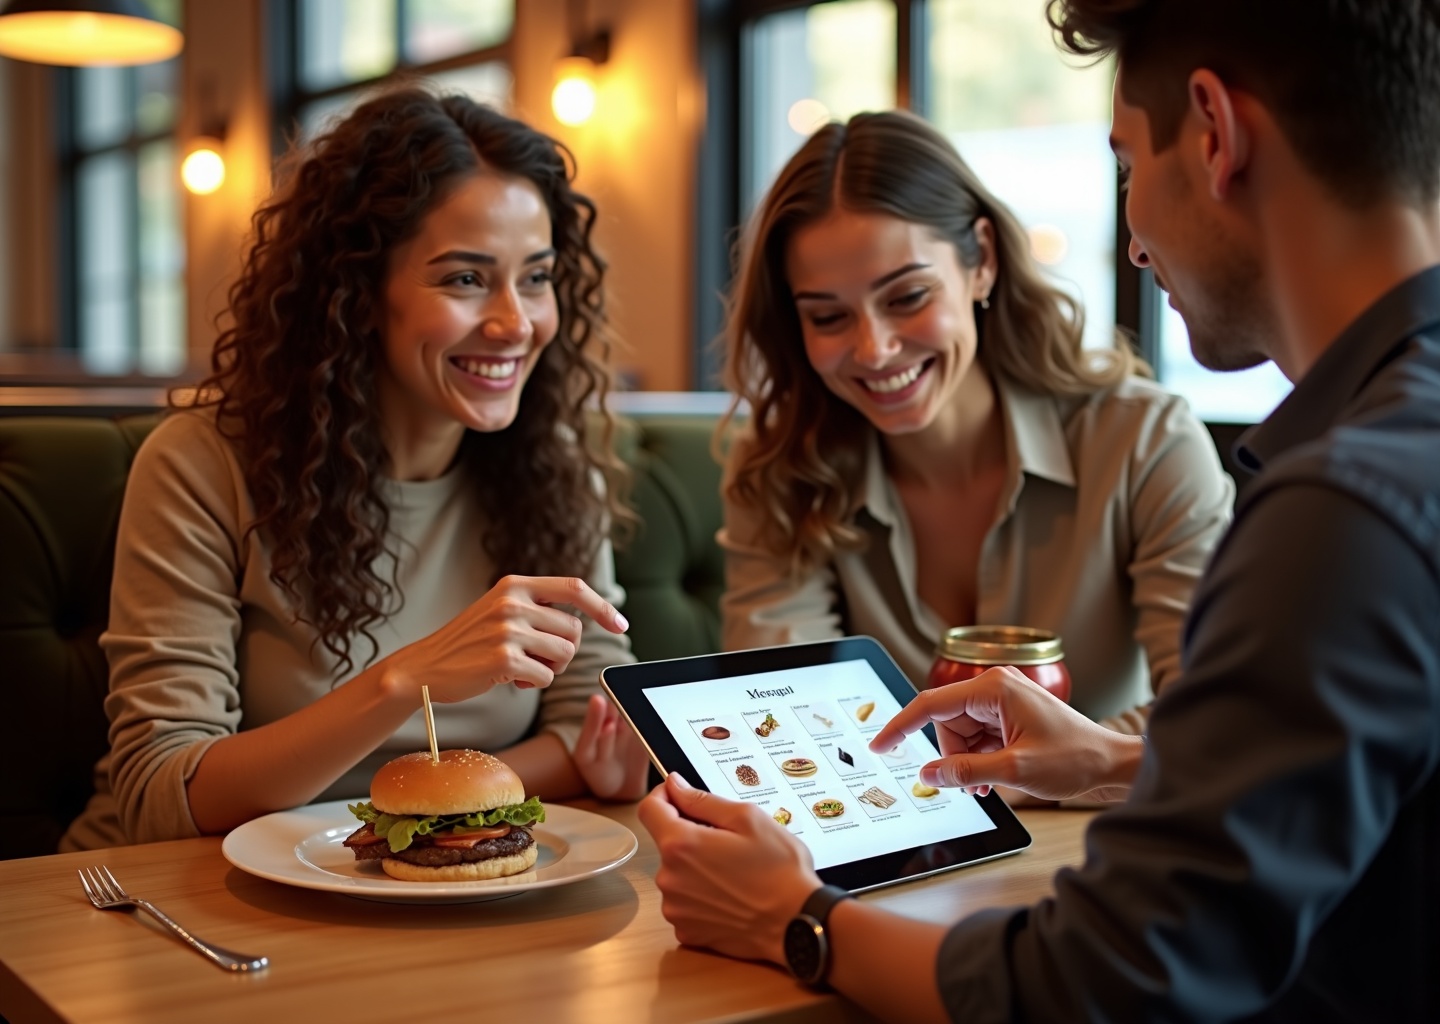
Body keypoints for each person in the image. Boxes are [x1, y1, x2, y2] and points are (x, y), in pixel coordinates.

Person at [640, 1, 1440, 1020]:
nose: (1136, 242)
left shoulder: (1338, 509)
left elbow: (1107, 980)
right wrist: (1106, 756)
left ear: (1213, 133)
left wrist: (795, 920)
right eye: (829, 316)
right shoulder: (1384, 458)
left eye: (1123, 161)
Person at [62, 88, 650, 851]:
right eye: (465, 279)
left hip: (427, 890)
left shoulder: (553, 471)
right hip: (161, 901)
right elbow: (162, 792)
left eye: (535, 278)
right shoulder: (200, 465)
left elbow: (595, 729)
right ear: (357, 293)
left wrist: (418, 813)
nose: (515, 322)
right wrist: (407, 682)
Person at [718, 109, 1232, 742]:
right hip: (895, 834)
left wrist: (1034, 771)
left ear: (982, 261)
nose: (874, 349)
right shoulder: (780, 469)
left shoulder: (1145, 442)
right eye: (828, 317)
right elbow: (784, 716)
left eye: (907, 298)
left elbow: (1217, 713)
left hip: (1105, 834)